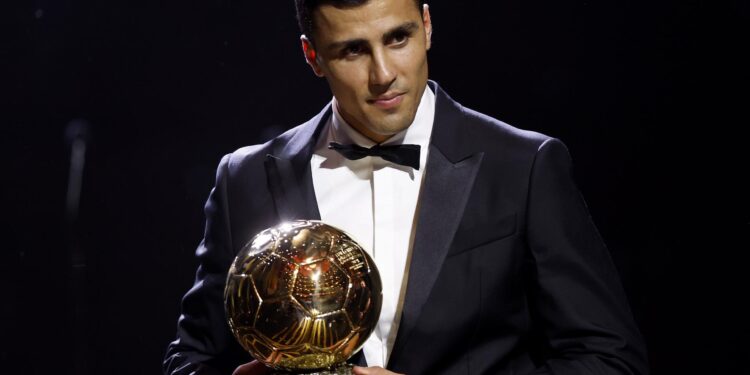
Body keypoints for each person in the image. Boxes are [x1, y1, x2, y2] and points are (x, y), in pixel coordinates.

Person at [164, 0, 649, 374]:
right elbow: (191, 359)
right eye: (353, 49)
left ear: (428, 25)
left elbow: (611, 360)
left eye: (398, 38)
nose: (383, 74)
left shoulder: (525, 167)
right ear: (312, 55)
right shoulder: (244, 178)